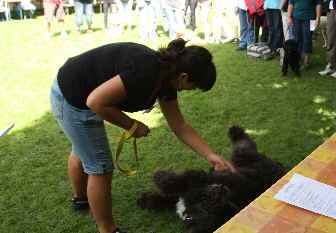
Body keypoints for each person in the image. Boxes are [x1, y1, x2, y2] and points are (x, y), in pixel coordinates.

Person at [50, 38, 235, 233]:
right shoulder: (145, 71)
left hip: (83, 91)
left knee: (83, 149)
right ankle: (108, 229)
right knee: (100, 167)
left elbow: (179, 125)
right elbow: (96, 102)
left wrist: (210, 155)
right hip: (70, 97)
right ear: (183, 76)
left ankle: (81, 200)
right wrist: (132, 125)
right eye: (194, 86)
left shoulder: (166, 78)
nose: (191, 90)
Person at [287, 0, 322, 70]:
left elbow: (318, 4)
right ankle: (298, 61)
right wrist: (289, 17)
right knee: (297, 40)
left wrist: (318, 17)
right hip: (296, 18)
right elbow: (291, 4)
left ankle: (306, 63)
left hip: (309, 19)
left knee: (307, 40)